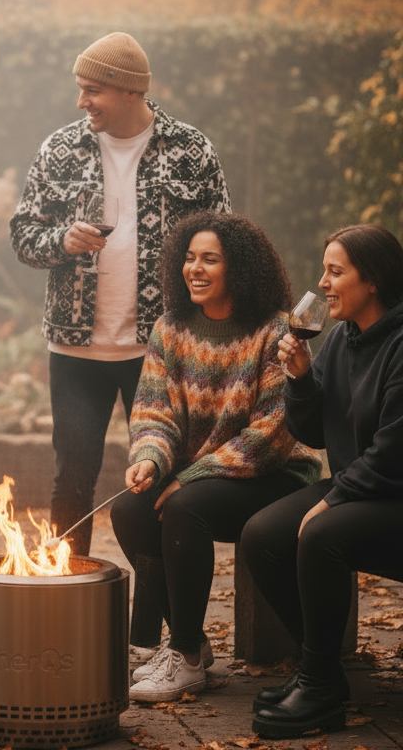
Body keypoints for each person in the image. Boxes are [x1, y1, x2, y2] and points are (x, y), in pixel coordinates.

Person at [10, 32, 231, 565]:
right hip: (74, 351)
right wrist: (60, 241)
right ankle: (68, 599)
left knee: (158, 483)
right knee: (71, 482)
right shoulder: (59, 149)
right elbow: (22, 234)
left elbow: (224, 240)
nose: (81, 101)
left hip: (160, 351)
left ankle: (155, 631)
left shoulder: (191, 150)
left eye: (91, 90)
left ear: (129, 90)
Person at [110, 211, 322, 703]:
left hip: (275, 475)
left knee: (184, 505)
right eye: (189, 259)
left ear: (239, 269)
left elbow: (274, 432)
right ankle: (195, 645)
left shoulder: (273, 331)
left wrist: (194, 475)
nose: (195, 270)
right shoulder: (169, 329)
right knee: (128, 508)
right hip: (198, 479)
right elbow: (152, 413)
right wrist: (150, 460)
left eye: (210, 260)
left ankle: (182, 655)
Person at [241, 224, 403, 739]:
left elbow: (395, 451)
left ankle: (318, 687)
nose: (323, 283)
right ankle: (323, 671)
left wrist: (336, 497)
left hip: (392, 491)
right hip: (364, 487)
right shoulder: (341, 340)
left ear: (372, 279)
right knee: (262, 536)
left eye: (335, 272)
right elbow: (312, 432)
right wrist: (301, 378)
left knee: (320, 533)